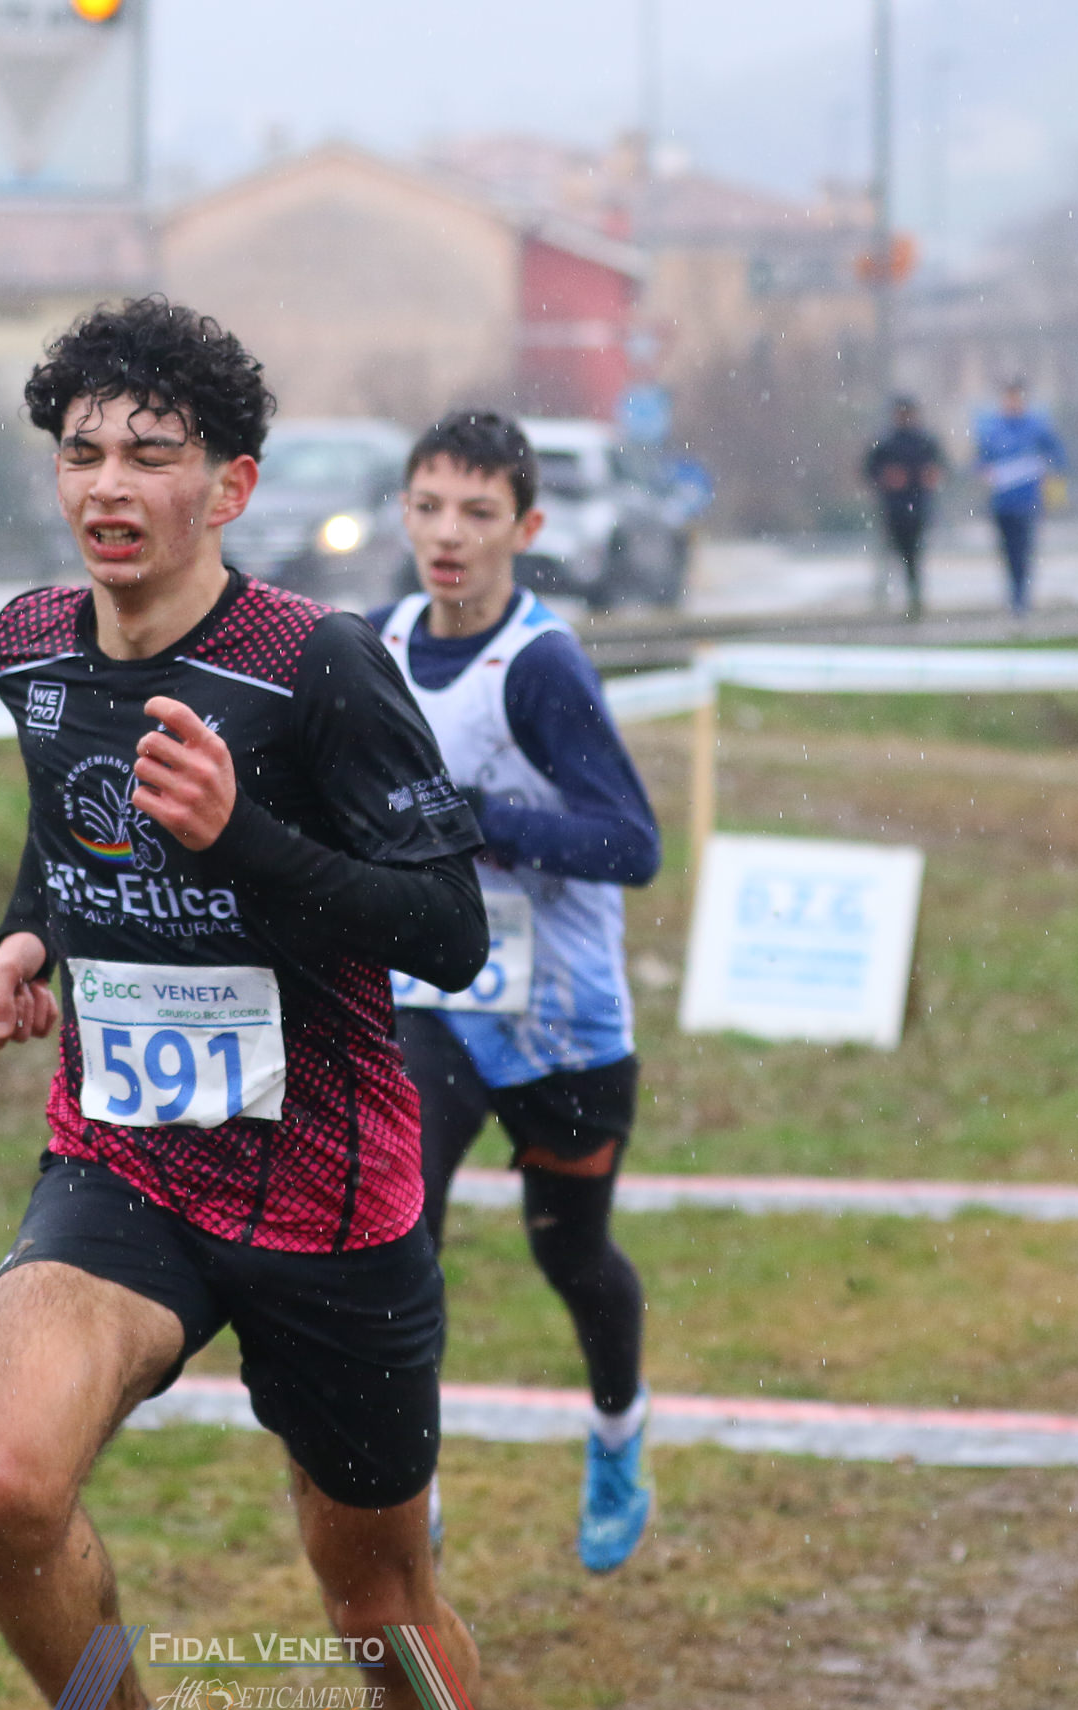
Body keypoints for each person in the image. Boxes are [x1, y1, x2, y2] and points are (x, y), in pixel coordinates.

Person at [0, 296, 501, 1710]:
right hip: (124, 1160)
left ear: (232, 485)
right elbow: (66, 829)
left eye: (154, 455)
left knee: (375, 1599)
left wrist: (246, 839)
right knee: (2, 1484)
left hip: (330, 1196)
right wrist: (27, 936)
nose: (111, 486)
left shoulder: (316, 666)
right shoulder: (30, 647)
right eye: (83, 454)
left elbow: (450, 930)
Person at [373, 409, 664, 1575]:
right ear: (404, 512)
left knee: (573, 1256)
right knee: (399, 1230)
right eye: (430, 507)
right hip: (433, 994)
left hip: (562, 1020)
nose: (449, 535)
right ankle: (410, 1476)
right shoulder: (380, 641)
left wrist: (483, 821)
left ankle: (618, 1432)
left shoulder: (540, 667)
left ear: (526, 527)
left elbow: (632, 842)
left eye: (478, 513)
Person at [972, 377, 1068, 616]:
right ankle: (1014, 596)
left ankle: (1021, 599)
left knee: (1024, 549)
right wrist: (985, 473)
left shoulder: (1036, 427)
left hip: (1027, 500)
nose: (1012, 403)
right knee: (1007, 551)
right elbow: (980, 461)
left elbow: (1057, 455)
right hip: (1002, 502)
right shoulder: (992, 430)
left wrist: (1048, 471)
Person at [864, 394, 947, 620]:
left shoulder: (925, 442)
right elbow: (870, 470)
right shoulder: (886, 443)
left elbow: (940, 468)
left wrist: (930, 477)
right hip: (893, 508)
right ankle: (887, 596)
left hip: (917, 507)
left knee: (913, 554)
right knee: (891, 552)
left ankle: (913, 598)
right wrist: (886, 478)